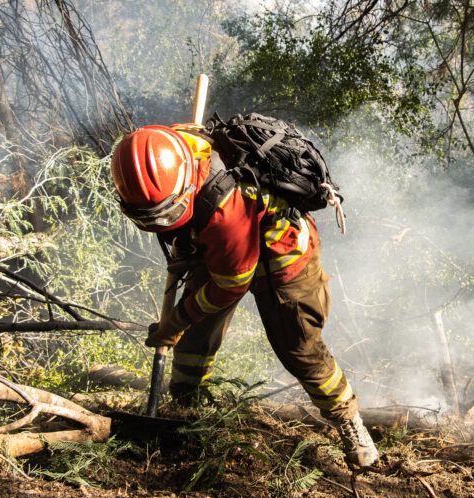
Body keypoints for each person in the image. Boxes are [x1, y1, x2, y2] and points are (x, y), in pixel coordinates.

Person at [110, 123, 379, 467]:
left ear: (186, 188)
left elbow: (231, 284)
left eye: (167, 216)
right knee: (195, 336)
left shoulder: (225, 212)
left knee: (300, 348)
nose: (161, 226)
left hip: (281, 254)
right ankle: (184, 407)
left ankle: (349, 422)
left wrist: (175, 320)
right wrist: (180, 236)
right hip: (218, 245)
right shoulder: (163, 149)